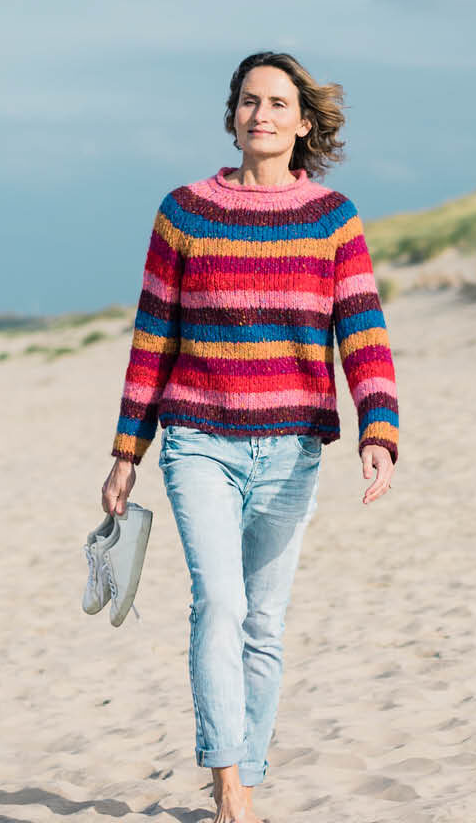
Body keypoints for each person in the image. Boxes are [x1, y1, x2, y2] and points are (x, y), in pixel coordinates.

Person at [99, 51, 399, 823]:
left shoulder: (332, 218)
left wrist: (379, 426)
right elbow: (152, 336)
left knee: (264, 623)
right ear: (231, 114)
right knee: (221, 605)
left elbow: (361, 327)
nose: (260, 114)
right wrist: (127, 452)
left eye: (276, 103)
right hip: (199, 437)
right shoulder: (184, 213)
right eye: (248, 101)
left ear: (303, 123)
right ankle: (229, 788)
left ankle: (250, 775)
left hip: (292, 446)